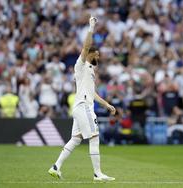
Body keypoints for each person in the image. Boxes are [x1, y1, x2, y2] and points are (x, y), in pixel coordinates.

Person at [48, 16, 116, 181]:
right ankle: (97, 173)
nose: (98, 57)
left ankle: (55, 167)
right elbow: (86, 46)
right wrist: (91, 27)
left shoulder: (90, 70)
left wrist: (107, 104)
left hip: (82, 106)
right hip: (84, 106)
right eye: (97, 55)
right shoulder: (81, 64)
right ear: (90, 54)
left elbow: (92, 93)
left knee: (76, 139)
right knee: (94, 137)